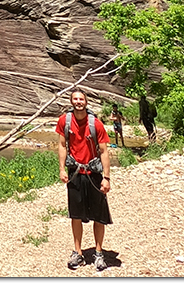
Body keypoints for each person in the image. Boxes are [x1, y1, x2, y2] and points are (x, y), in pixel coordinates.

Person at [57, 89, 112, 271]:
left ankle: (98, 253)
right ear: (71, 101)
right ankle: (78, 253)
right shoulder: (64, 122)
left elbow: (104, 151)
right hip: (75, 173)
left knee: (99, 216)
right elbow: (62, 145)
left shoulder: (96, 124)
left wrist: (106, 178)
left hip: (94, 174)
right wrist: (62, 169)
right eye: (75, 99)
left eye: (81, 99)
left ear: (86, 102)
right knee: (76, 215)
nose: (78, 101)